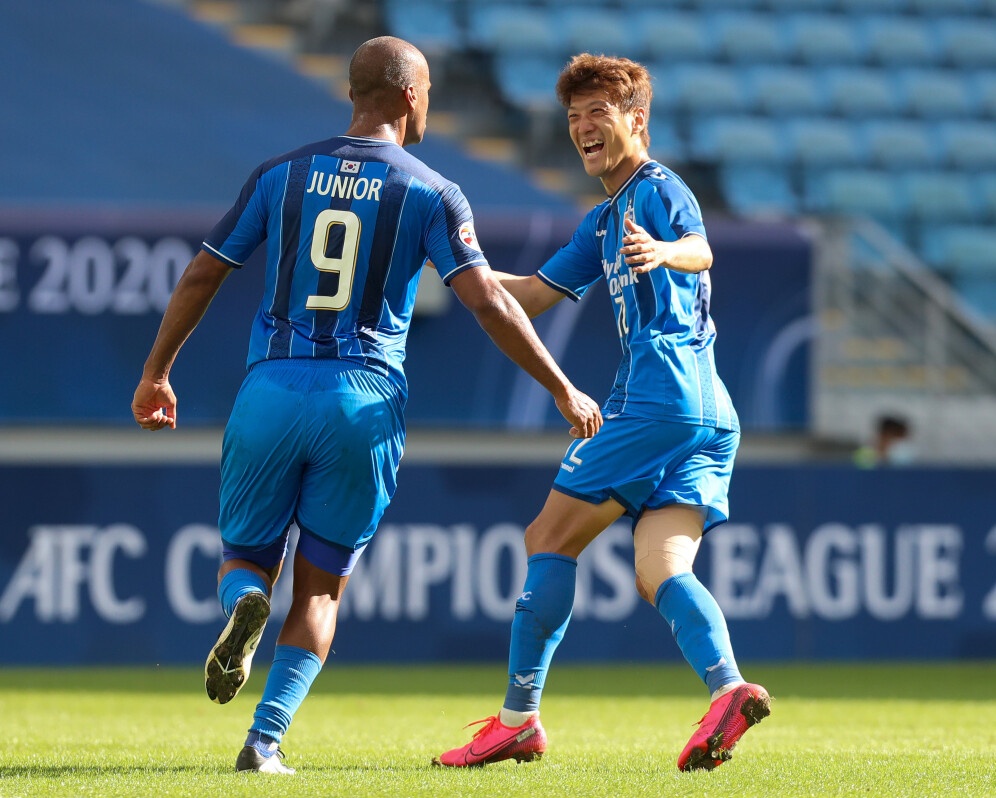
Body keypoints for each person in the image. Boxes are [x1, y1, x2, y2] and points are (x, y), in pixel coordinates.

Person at [130, 37, 602, 775]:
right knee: (320, 588)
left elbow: (201, 273)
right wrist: (560, 385)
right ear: (412, 96)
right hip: (363, 401)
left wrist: (157, 371)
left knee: (246, 558)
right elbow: (486, 302)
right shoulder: (431, 191)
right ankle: (264, 741)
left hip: (273, 390)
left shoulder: (279, 175)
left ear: (354, 94)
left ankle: (244, 601)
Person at [436, 54, 770, 773]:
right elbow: (527, 293)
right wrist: (450, 266)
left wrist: (667, 251)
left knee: (549, 537)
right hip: (710, 414)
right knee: (660, 567)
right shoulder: (602, 221)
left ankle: (518, 720)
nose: (584, 128)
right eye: (574, 117)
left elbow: (702, 249)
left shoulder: (657, 190)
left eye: (599, 114)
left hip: (661, 396)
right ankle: (730, 689)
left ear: (635, 122)